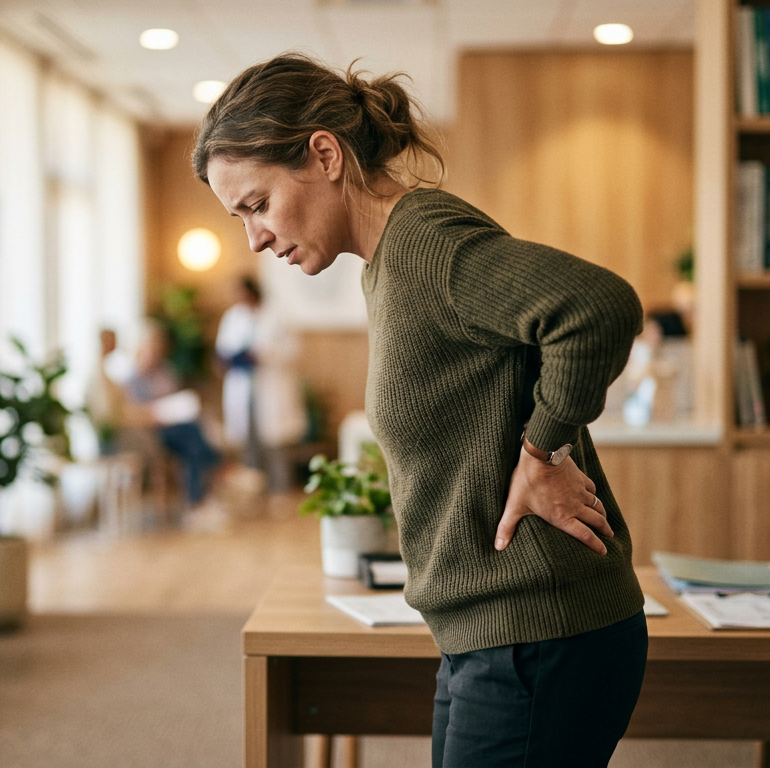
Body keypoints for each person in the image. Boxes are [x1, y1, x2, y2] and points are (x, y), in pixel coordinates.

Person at [192, 54, 647, 767]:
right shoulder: (390, 263)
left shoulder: (428, 243)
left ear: (324, 154)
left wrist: (544, 451)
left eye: (257, 204)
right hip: (488, 632)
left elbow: (598, 307)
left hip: (536, 634)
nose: (253, 237)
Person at [214, 276, 308, 488]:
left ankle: (280, 489)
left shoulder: (276, 314)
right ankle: (253, 490)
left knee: (275, 443)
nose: (238, 298)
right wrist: (229, 359)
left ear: (252, 291)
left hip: (271, 384)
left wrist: (264, 355)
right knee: (247, 442)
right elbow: (223, 350)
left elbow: (294, 349)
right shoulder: (232, 317)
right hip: (242, 386)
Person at [129, 321, 221, 510]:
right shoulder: (134, 378)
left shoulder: (166, 372)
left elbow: (177, 398)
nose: (156, 353)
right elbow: (136, 412)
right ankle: (201, 493)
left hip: (178, 427)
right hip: (154, 433)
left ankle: (197, 500)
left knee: (194, 444)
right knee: (195, 441)